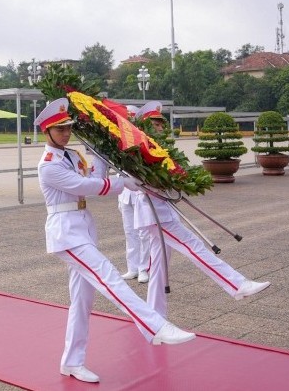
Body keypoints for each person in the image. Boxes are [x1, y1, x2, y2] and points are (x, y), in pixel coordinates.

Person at [35, 98, 195, 384]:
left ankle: (72, 362)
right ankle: (155, 325)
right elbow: (85, 186)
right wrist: (122, 183)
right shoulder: (48, 165)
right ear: (46, 132)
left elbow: (93, 174)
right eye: (59, 130)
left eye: (68, 127)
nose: (66, 133)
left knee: (81, 301)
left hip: (81, 228)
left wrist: (102, 153)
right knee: (110, 278)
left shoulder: (71, 156)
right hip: (65, 233)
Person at [132, 101, 271, 317]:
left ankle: (154, 316)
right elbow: (139, 181)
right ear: (145, 126)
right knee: (194, 247)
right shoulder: (140, 150)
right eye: (155, 124)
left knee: (159, 267)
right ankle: (237, 285)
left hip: (162, 212)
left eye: (161, 123)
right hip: (155, 215)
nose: (161, 127)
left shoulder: (156, 148)